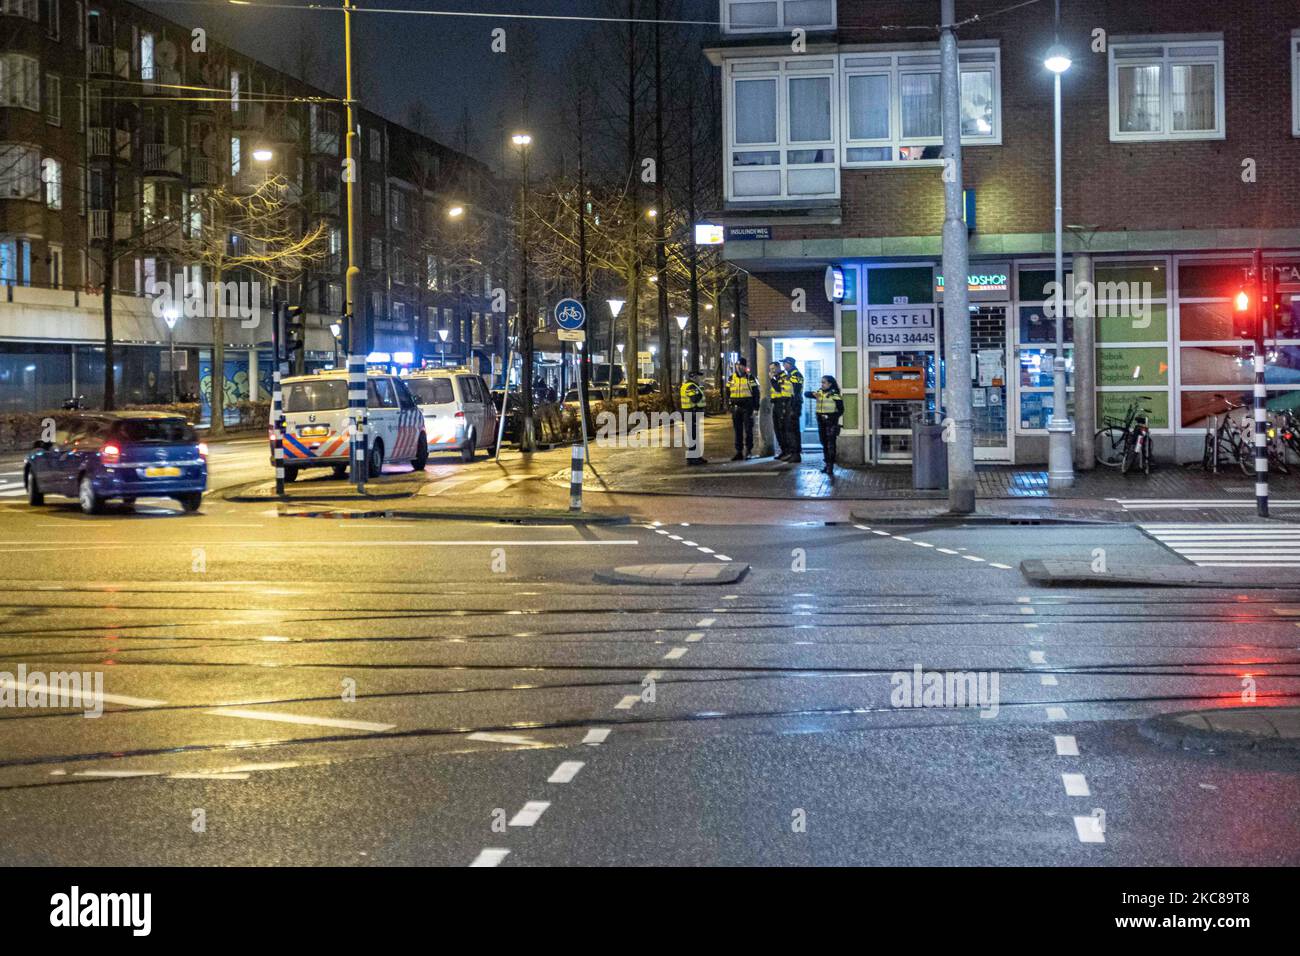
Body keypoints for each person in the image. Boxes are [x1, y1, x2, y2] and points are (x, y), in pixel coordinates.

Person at [805, 375, 845, 477]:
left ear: (830, 384)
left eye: (824, 382)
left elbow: (841, 410)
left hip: (830, 422)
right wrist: (813, 394)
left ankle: (830, 466)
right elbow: (806, 394)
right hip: (820, 421)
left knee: (830, 444)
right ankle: (827, 465)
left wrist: (830, 417)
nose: (821, 384)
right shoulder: (820, 392)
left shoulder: (834, 394)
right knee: (824, 443)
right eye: (821, 382)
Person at [727, 357, 759, 461]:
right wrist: (729, 405)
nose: (738, 367)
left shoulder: (750, 378)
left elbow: (756, 393)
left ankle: (748, 451)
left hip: (747, 407)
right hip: (736, 408)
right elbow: (727, 392)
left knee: (748, 430)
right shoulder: (731, 378)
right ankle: (739, 452)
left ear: (745, 367)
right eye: (737, 365)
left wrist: (756, 408)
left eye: (740, 365)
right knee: (738, 431)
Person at [679, 372, 708, 465]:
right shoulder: (691, 386)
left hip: (690, 413)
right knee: (693, 437)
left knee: (693, 436)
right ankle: (693, 458)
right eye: (698, 377)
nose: (700, 379)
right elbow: (695, 398)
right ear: (694, 377)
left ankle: (695, 457)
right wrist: (699, 392)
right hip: (692, 413)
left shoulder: (688, 385)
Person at [780, 357, 804, 463]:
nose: (783, 365)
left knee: (793, 430)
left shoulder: (796, 375)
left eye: (784, 363)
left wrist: (793, 408)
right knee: (789, 430)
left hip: (794, 404)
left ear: (789, 364)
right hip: (790, 404)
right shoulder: (789, 375)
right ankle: (792, 453)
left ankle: (796, 454)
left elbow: (796, 392)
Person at [768, 361, 791, 460]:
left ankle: (787, 451)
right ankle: (783, 450)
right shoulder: (776, 378)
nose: (772, 371)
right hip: (776, 405)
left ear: (778, 367)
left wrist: (772, 380)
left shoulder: (784, 377)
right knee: (777, 429)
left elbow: (779, 389)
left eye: (773, 369)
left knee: (782, 429)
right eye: (770, 369)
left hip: (782, 405)